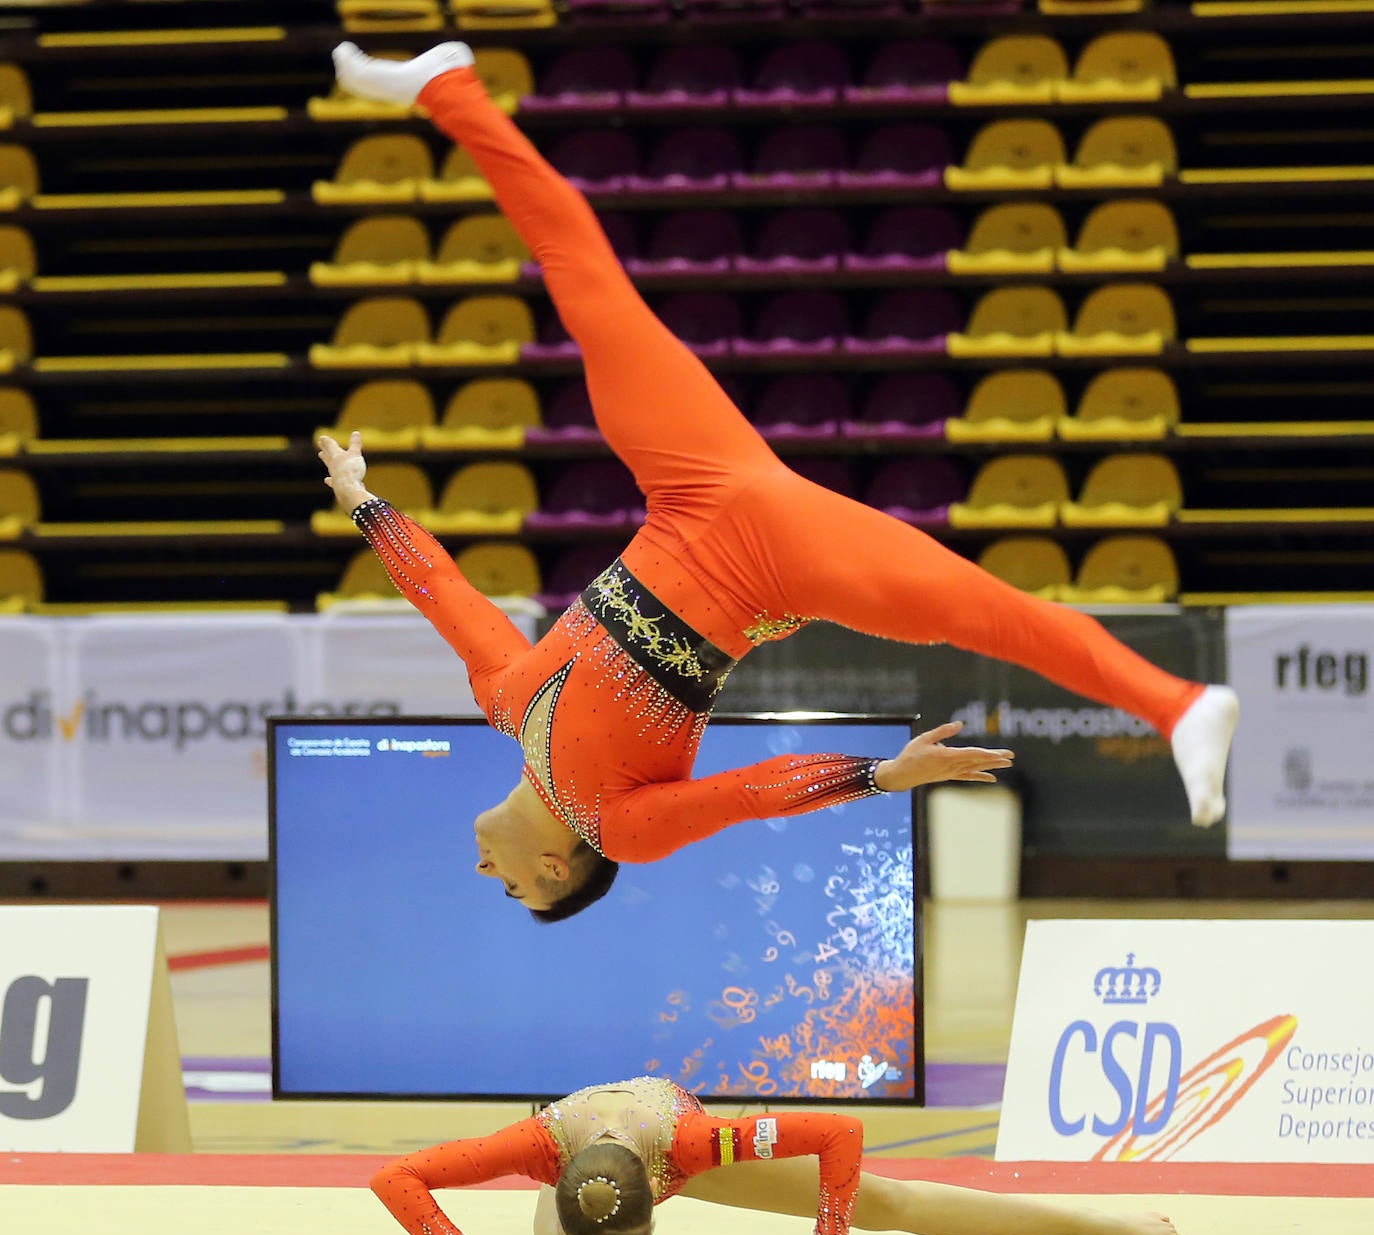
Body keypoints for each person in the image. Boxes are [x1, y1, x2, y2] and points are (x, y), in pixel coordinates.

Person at [320, 42, 1239, 923]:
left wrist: (366, 504)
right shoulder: (616, 826)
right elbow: (754, 792)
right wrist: (878, 777)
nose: (489, 871)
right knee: (987, 613)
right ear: (557, 868)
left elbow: (443, 593)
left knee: (585, 285)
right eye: (516, 889)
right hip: (771, 559)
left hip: (693, 487)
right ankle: (1180, 704)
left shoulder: (506, 701)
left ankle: (450, 89)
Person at [369, 1076, 1189, 1235]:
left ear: (666, 1192)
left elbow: (842, 1134)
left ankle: (1081, 1218)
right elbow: (393, 1175)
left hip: (661, 1146)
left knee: (888, 1202)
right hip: (593, 1168)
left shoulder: (700, 1145)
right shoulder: (536, 1144)